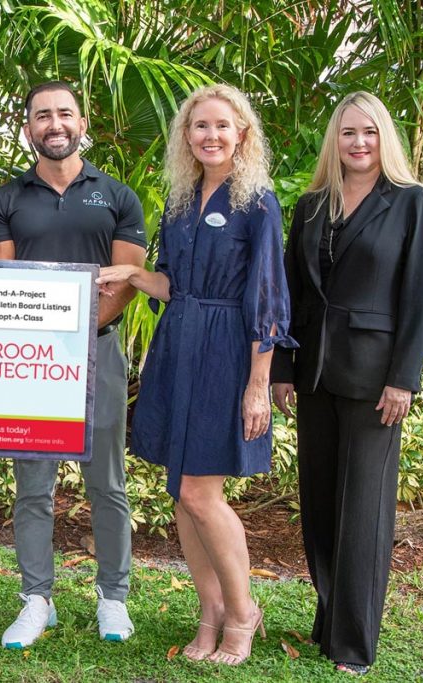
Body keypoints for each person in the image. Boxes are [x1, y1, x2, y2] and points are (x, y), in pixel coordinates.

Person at [97, 84, 295, 666]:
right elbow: (172, 286)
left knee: (199, 492)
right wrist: (128, 276)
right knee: (181, 493)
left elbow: (267, 297)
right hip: (178, 346)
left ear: (242, 134)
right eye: (198, 126)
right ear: (187, 136)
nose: (210, 135)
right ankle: (209, 613)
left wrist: (258, 383)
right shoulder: (181, 202)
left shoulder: (257, 202)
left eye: (221, 125)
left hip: (228, 354)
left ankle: (242, 613)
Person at [271, 91, 423, 675]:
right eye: (348, 133)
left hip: (376, 381)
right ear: (334, 141)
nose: (359, 143)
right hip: (315, 372)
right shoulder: (313, 205)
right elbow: (292, 293)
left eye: (369, 132)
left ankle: (354, 643)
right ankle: (328, 618)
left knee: (363, 512)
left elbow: (421, 297)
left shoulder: (411, 203)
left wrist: (404, 380)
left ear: (383, 137)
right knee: (320, 503)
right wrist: (281, 369)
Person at [0, 81, 146, 649]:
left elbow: (127, 281)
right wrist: (47, 340)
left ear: (82, 122)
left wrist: (79, 331)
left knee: (107, 482)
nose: (55, 123)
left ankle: (114, 597)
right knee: (33, 485)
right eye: (42, 116)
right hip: (29, 362)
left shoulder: (118, 196)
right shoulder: (5, 200)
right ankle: (36, 598)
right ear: (28, 129)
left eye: (64, 113)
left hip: (98, 349)